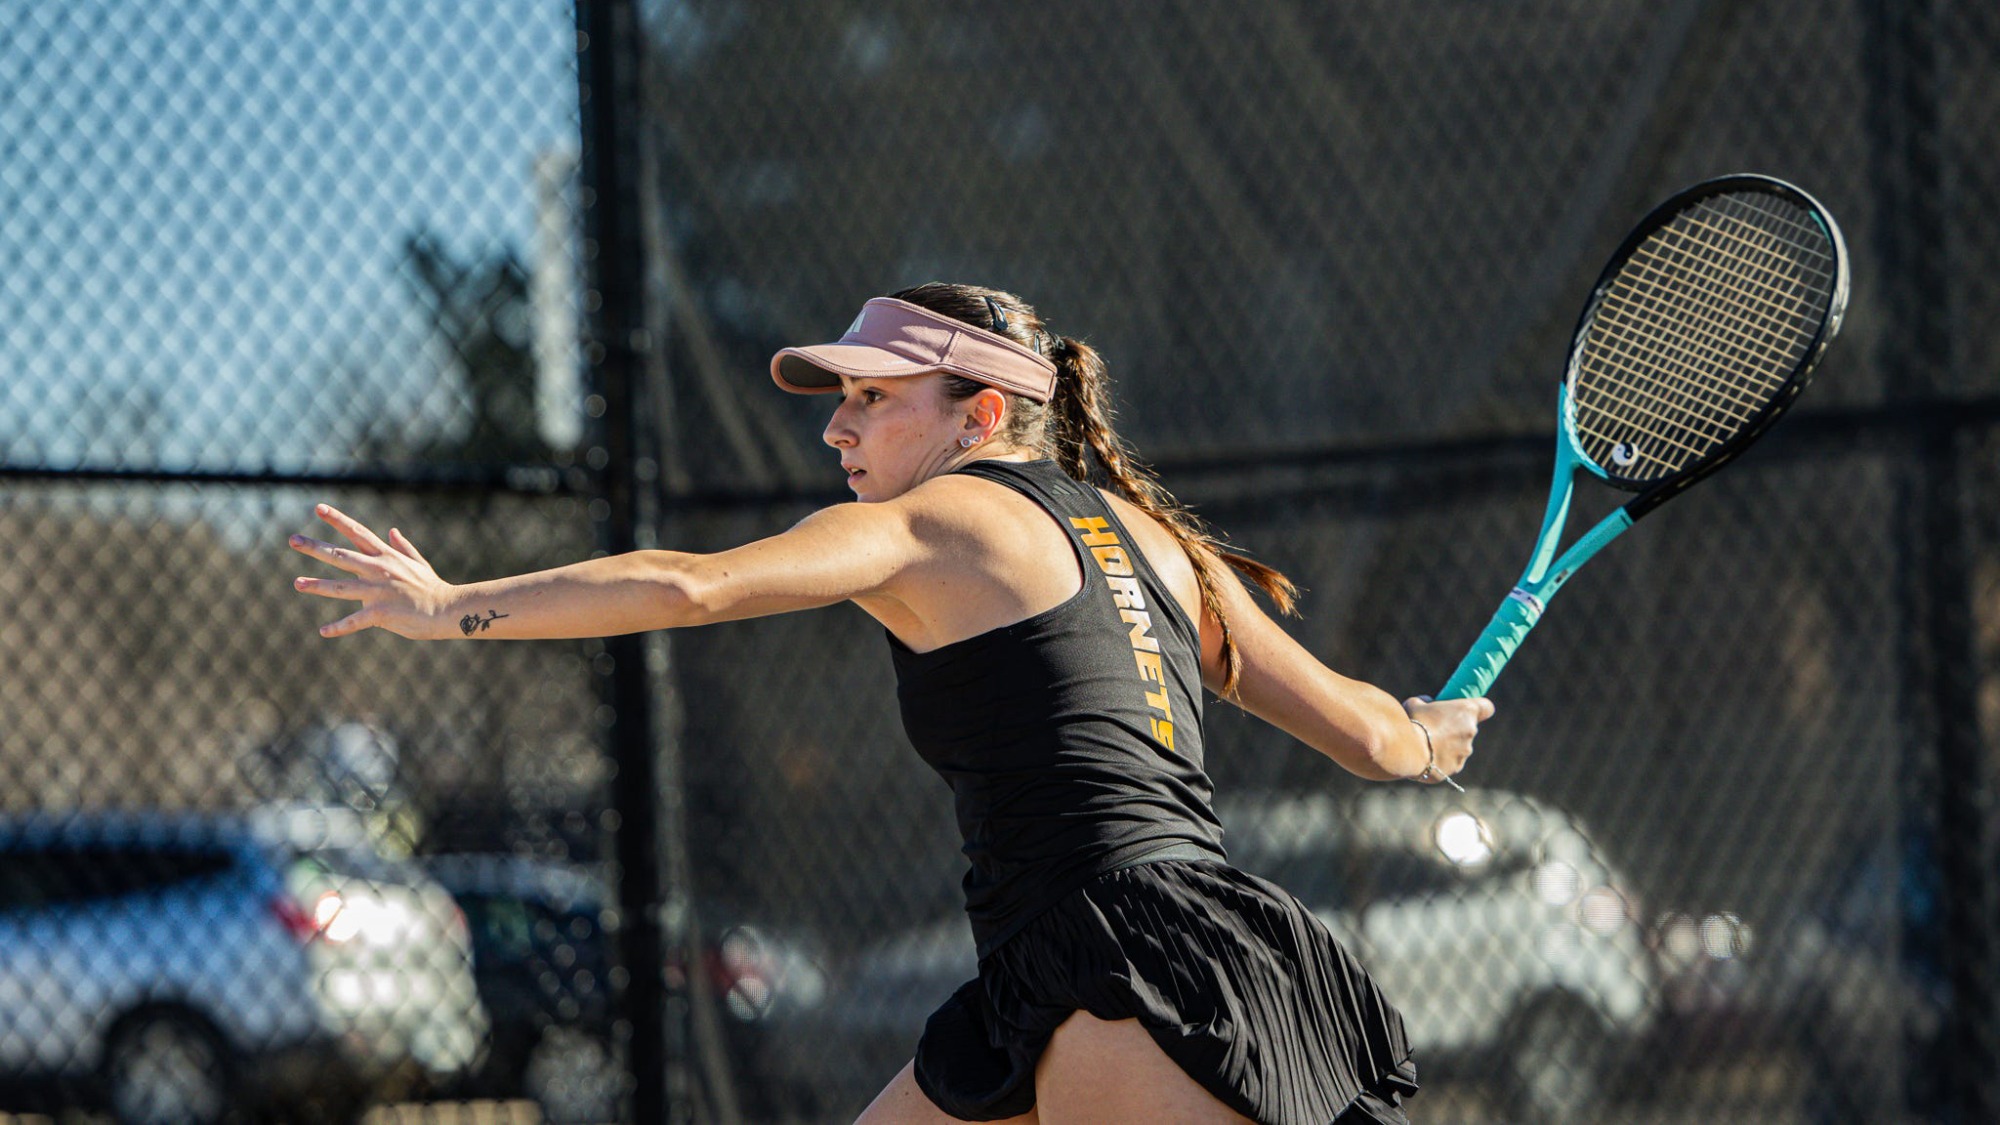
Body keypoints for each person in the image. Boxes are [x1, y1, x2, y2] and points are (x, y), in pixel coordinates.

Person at [289, 282, 1492, 1124]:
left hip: (1126, 974)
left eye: (871, 398)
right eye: (840, 398)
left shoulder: (932, 522)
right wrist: (1435, 733)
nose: (836, 423)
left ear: (976, 415)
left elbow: (695, 588)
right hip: (1106, 961)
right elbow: (1378, 738)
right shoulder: (1165, 547)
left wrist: (451, 606)